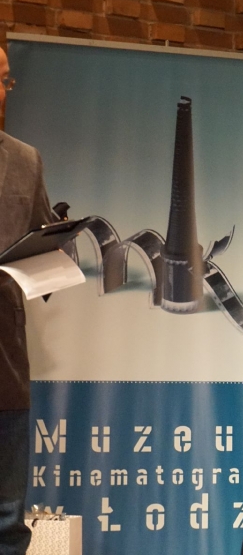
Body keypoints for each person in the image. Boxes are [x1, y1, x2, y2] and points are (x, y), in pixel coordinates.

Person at [0, 46, 55, 555]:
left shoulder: (25, 159)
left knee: (8, 519)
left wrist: (57, 247)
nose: (1, 92)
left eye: (4, 80)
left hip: (6, 367)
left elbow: (40, 245)